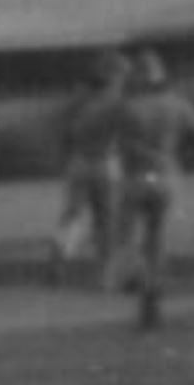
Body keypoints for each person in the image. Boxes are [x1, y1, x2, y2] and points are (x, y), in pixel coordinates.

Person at [108, 49, 194, 327]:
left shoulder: (125, 108)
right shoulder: (178, 105)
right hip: (165, 180)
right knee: (156, 241)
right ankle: (152, 295)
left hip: (136, 180)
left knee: (124, 238)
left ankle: (133, 277)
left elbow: (110, 141)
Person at [50, 51, 132, 282]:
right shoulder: (120, 101)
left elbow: (64, 129)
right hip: (107, 163)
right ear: (116, 75)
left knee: (73, 215)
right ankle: (104, 273)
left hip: (79, 162)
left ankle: (59, 260)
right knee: (106, 220)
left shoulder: (79, 96)